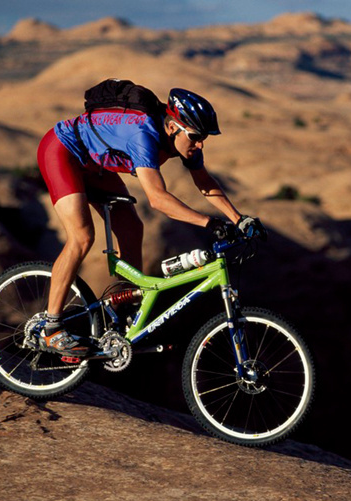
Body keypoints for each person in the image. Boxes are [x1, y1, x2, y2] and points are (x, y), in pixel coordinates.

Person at [35, 86, 265, 357]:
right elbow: (157, 199)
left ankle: (122, 312)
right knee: (82, 237)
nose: (200, 144)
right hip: (62, 151)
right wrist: (208, 223)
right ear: (173, 128)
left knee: (132, 228)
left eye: (203, 138)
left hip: (95, 164)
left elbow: (204, 182)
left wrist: (239, 219)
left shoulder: (185, 141)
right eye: (195, 137)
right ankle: (51, 327)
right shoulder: (143, 134)